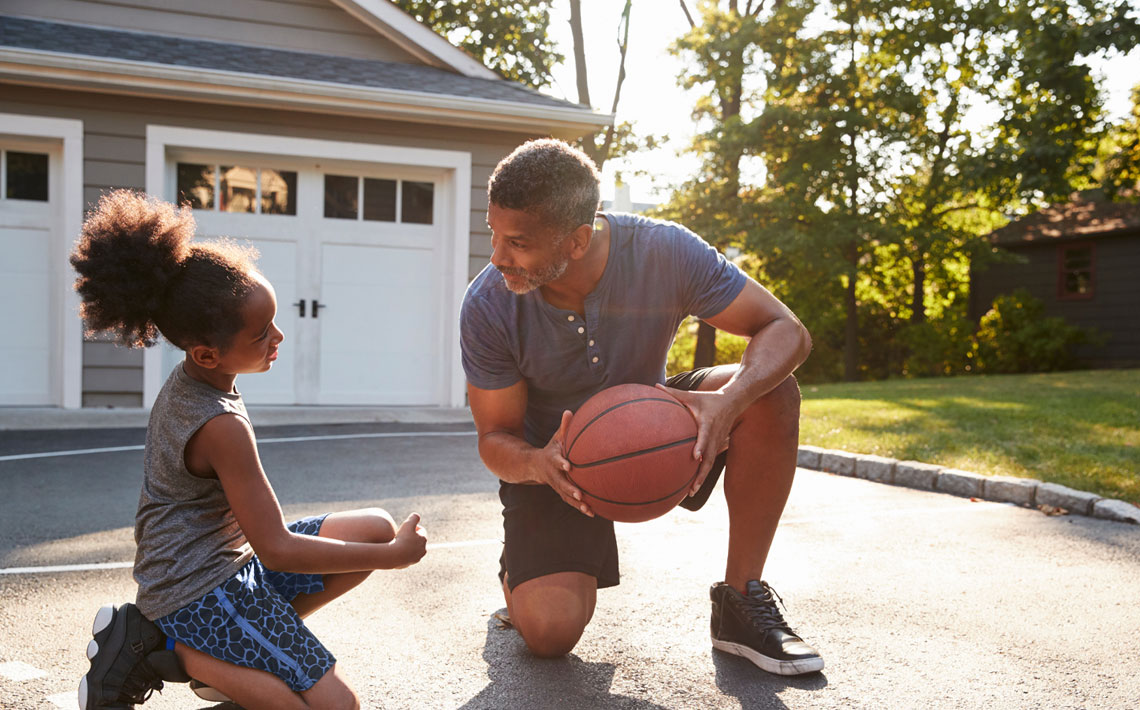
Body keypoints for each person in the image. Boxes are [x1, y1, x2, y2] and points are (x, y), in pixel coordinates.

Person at [459, 139, 822, 675]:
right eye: (494, 233)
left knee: (769, 391)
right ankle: (520, 571)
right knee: (550, 635)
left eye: (517, 242)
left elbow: (786, 330)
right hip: (552, 463)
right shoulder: (489, 305)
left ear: (578, 240)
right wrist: (539, 464)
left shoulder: (663, 251)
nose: (497, 256)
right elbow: (494, 438)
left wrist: (726, 402)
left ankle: (742, 600)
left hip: (652, 426)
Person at [71, 190, 428, 710]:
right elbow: (278, 548)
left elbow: (266, 547)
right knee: (337, 707)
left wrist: (381, 547)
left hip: (228, 566)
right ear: (207, 352)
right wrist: (393, 559)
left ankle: (241, 654)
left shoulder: (196, 378)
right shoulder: (219, 426)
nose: (278, 336)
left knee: (372, 524)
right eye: (262, 333)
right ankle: (162, 648)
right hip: (194, 594)